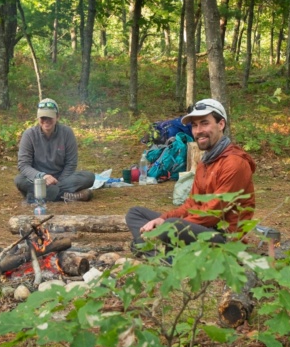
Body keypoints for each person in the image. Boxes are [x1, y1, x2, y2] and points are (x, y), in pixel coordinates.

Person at [125, 98, 256, 256]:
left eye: (204, 123)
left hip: (224, 238)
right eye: (194, 125)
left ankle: (154, 251)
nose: (198, 130)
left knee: (171, 226)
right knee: (136, 213)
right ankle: (159, 250)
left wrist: (166, 224)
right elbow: (191, 205)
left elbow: (213, 214)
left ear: (221, 124)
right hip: (201, 228)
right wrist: (162, 219)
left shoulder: (235, 163)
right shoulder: (206, 161)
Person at [14, 98, 95, 202]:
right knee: (19, 180)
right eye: (43, 117)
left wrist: (58, 182)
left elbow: (71, 163)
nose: (46, 121)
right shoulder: (29, 135)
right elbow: (23, 165)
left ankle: (39, 195)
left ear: (57, 117)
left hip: (61, 178)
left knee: (89, 177)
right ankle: (68, 196)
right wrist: (43, 176)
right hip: (38, 179)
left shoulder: (67, 133)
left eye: (50, 117)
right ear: (38, 118)